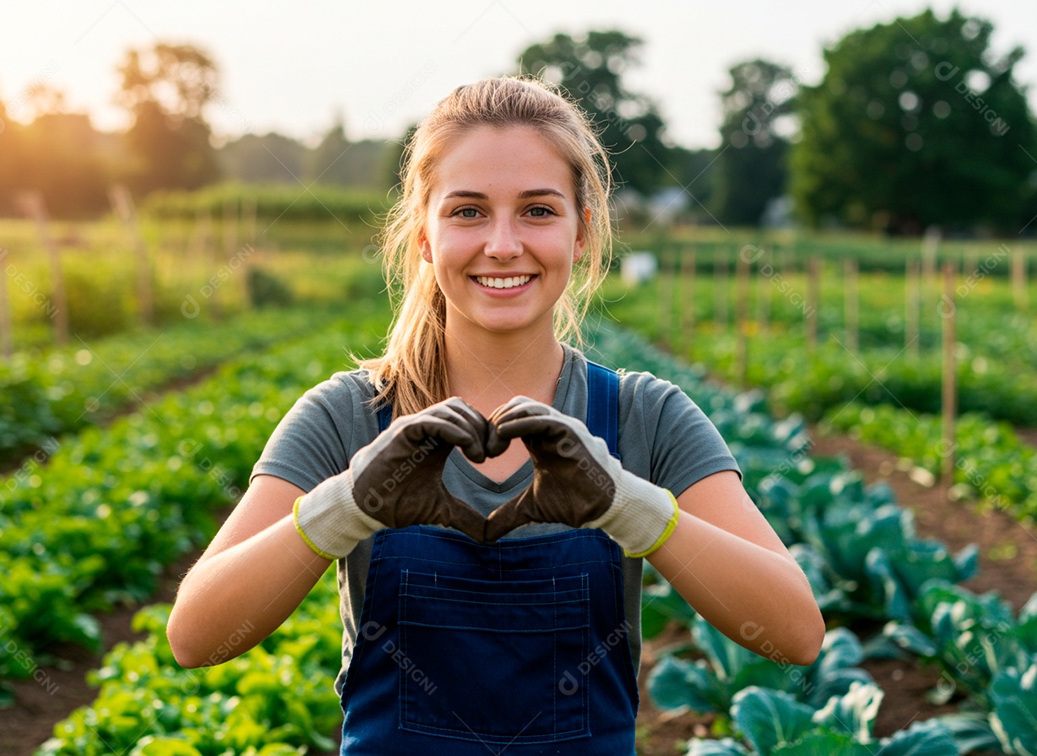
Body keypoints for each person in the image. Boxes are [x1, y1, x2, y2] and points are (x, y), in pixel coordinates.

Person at [167, 76, 824, 754]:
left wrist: (631, 508)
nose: (503, 244)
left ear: (580, 233)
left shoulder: (641, 416)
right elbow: (197, 635)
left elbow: (795, 632)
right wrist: (346, 508)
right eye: (468, 212)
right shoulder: (349, 416)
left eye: (538, 211)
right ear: (424, 234)